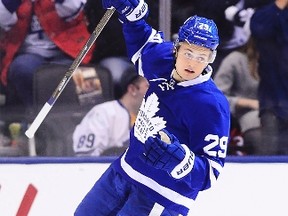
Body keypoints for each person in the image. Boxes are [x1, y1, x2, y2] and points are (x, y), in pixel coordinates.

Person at [74, 0, 230, 215]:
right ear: (176, 49)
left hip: (163, 195)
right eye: (188, 53)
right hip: (124, 171)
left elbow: (211, 172)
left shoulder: (211, 105)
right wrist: (132, 13)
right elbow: (142, 42)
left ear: (211, 58)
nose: (193, 63)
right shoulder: (162, 60)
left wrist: (183, 161)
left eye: (202, 57)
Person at [0, 0, 94, 110]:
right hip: (29, 53)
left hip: (70, 51)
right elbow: (3, 21)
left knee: (83, 75)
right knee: (21, 69)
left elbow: (72, 11)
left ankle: (85, 119)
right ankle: (39, 118)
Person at [72, 66, 149, 156]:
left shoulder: (153, 118)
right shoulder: (102, 113)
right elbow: (85, 157)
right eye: (149, 86)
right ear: (132, 89)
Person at [250, 0, 288, 155]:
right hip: (273, 101)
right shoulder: (264, 15)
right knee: (269, 156)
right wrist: (280, 4)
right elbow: (259, 29)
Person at [214, 37, 261, 154]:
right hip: (247, 116)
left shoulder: (280, 61)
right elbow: (216, 98)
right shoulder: (235, 60)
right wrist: (248, 103)